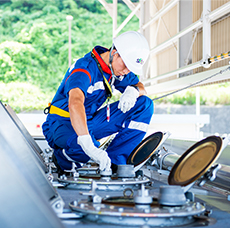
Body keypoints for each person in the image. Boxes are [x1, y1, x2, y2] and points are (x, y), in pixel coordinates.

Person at [42, 31, 154, 175]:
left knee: (144, 105)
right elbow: (75, 103)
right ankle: (62, 159)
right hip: (62, 123)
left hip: (88, 121)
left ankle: (115, 162)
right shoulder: (84, 69)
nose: (127, 71)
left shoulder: (116, 70)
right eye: (126, 65)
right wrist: (88, 144)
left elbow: (141, 87)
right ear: (115, 52)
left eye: (130, 69)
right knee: (85, 147)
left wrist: (133, 91)